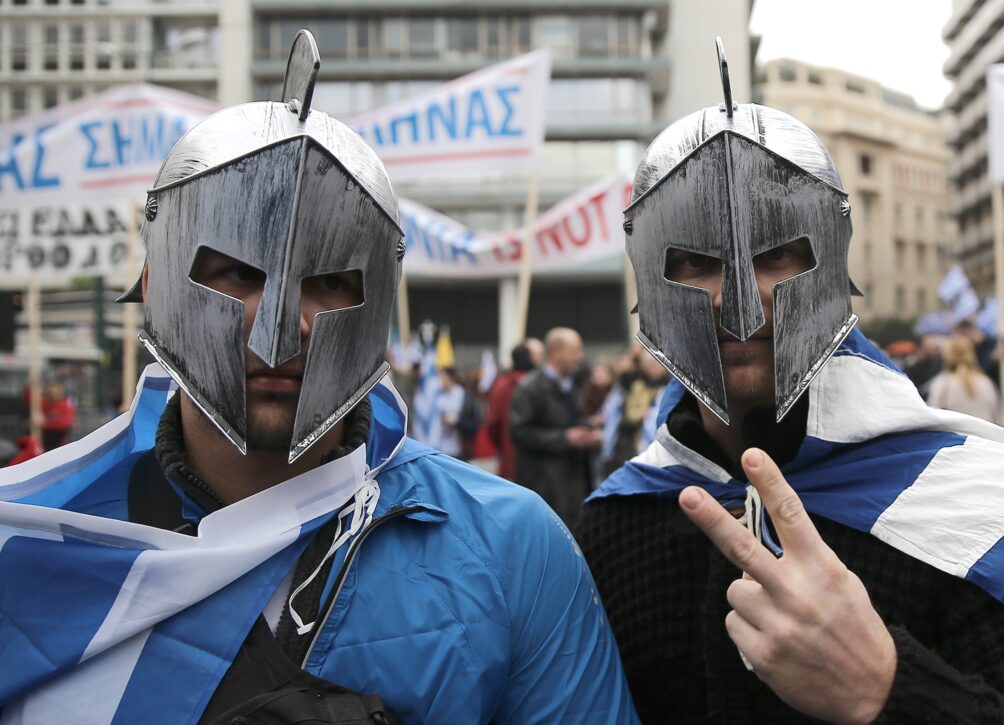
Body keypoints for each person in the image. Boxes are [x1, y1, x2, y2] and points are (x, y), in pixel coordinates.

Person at [0, 32, 637, 724]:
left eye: (330, 282)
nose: (282, 328)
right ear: (157, 288)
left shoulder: (514, 548)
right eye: (239, 273)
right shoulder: (35, 545)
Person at [576, 38, 1004, 724]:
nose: (740, 303)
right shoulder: (617, 522)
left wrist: (888, 686)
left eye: (778, 255)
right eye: (695, 262)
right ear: (648, 278)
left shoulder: (982, 503)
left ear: (832, 258)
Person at [510, 327, 601, 527]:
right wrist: (565, 439)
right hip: (545, 486)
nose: (580, 357)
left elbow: (566, 421)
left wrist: (586, 429)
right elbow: (520, 433)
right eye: (575, 350)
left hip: (572, 484)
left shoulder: (571, 385)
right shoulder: (530, 387)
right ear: (556, 351)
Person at [483, 339, 543, 480]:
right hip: (540, 460)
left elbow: (492, 423)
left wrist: (503, 446)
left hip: (509, 458)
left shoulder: (502, 384)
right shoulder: (539, 385)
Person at [928, 335, 1001, 423]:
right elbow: (998, 417)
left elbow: (932, 416)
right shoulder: (985, 382)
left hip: (958, 435)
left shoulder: (943, 383)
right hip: (985, 435)